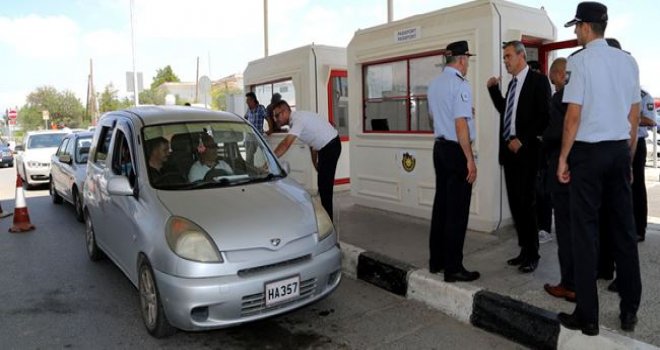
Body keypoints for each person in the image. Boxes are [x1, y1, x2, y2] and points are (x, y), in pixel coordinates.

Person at [557, 2, 642, 336]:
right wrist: (629, 157)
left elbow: (573, 116)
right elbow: (634, 116)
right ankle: (629, 311)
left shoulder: (580, 62)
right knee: (623, 231)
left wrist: (564, 158)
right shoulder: (628, 61)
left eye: (577, 27)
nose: (576, 32)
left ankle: (588, 317)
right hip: (620, 152)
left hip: (588, 156)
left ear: (586, 27)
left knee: (586, 234)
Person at [486, 40, 551, 273]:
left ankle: (533, 254)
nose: (505, 61)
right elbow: (506, 110)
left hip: (527, 152)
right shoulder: (512, 84)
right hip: (509, 152)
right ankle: (523, 250)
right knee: (515, 204)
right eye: (504, 57)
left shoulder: (538, 81)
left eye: (508, 56)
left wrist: (521, 139)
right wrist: (493, 90)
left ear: (521, 56)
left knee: (528, 204)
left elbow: (544, 116)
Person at [427, 40, 479, 283]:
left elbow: (434, 117)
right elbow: (460, 125)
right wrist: (469, 159)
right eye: (467, 59)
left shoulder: (435, 84)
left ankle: (436, 261)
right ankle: (453, 267)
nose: (467, 63)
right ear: (461, 60)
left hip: (440, 148)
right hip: (456, 151)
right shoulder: (460, 85)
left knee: (442, 208)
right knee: (457, 212)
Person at [541, 57, 575, 302]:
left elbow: (554, 133)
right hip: (583, 168)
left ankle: (569, 284)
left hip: (561, 169)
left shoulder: (558, 99)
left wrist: (542, 141)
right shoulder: (582, 98)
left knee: (564, 229)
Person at [271, 100, 341, 221]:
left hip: (330, 146)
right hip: (326, 148)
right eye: (274, 116)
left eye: (277, 115)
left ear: (285, 111)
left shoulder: (298, 120)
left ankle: (328, 223)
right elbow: (312, 144)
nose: (276, 119)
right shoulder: (296, 122)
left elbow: (286, 143)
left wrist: (270, 159)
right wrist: (315, 163)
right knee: (323, 186)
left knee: (325, 188)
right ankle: (326, 218)